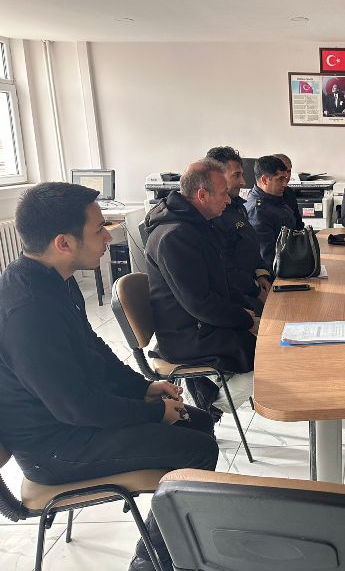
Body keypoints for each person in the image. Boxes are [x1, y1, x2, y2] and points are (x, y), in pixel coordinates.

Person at [0, 182, 218, 571]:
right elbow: (74, 407)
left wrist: (144, 389)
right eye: (99, 228)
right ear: (63, 243)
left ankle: (177, 532)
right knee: (197, 449)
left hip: (72, 421)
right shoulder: (28, 310)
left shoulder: (53, 279)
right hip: (54, 448)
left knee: (199, 423)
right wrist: (154, 413)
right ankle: (151, 561)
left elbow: (94, 350)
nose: (108, 236)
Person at [145, 158, 256, 417]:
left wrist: (246, 309)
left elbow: (220, 280)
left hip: (200, 324)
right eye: (223, 194)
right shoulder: (175, 236)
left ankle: (210, 390)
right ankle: (209, 410)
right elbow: (200, 303)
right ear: (202, 195)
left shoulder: (198, 226)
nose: (228, 200)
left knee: (270, 337)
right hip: (185, 335)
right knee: (270, 354)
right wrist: (245, 319)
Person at [207, 146, 270, 313]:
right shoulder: (213, 215)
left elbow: (250, 245)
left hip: (252, 286)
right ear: (217, 177)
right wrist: (256, 291)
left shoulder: (237, 207)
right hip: (238, 297)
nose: (243, 182)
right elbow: (225, 268)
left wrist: (261, 273)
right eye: (236, 175)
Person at [244, 155, 298, 271]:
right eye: (280, 179)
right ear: (264, 180)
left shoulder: (275, 198)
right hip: (278, 273)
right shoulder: (258, 211)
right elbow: (266, 258)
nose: (285, 184)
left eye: (285, 178)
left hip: (291, 262)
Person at [273, 152, 304, 230]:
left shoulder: (289, 192)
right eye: (283, 171)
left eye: (289, 171)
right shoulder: (262, 199)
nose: (286, 176)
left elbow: (298, 223)